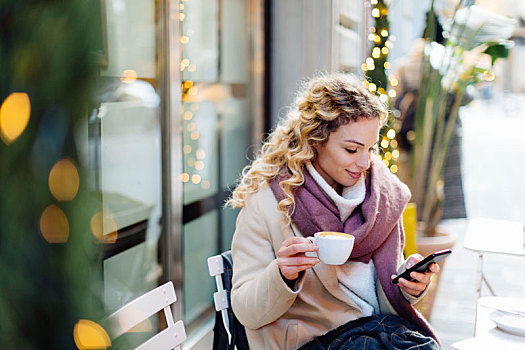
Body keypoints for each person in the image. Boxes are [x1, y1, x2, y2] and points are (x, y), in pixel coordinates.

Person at [226, 73, 441, 349]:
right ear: (316, 140)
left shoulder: (381, 198)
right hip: (311, 342)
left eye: (370, 149)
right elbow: (245, 311)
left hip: (376, 332)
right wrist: (281, 275)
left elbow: (384, 292)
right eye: (352, 149)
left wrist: (409, 285)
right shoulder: (269, 203)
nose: (364, 163)